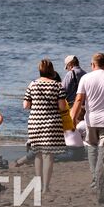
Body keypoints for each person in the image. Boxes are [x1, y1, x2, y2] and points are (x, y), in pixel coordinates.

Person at [72, 52, 104, 187]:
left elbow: (79, 100)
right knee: (103, 149)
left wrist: (72, 118)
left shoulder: (86, 78)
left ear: (93, 64)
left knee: (92, 148)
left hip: (91, 120)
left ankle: (95, 177)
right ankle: (99, 177)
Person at [23, 60, 69, 193]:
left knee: (37, 153)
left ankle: (38, 184)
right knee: (48, 155)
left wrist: (37, 105)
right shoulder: (57, 85)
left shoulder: (32, 84)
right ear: (52, 71)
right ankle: (45, 187)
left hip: (35, 123)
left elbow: (25, 106)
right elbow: (62, 106)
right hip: (51, 123)